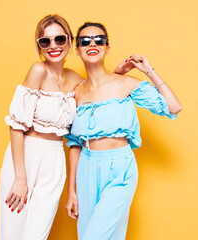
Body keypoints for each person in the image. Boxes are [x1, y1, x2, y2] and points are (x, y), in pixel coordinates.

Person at [65, 22, 182, 240]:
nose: (92, 44)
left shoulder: (125, 84)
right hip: (87, 169)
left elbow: (173, 107)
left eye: (99, 40)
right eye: (85, 40)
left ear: (107, 47)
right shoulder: (76, 92)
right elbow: (74, 143)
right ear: (77, 49)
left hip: (120, 168)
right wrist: (71, 190)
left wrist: (148, 71)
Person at [0, 14, 83, 240]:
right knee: (12, 233)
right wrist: (20, 177)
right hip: (25, 155)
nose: (53, 46)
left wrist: (122, 73)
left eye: (59, 39)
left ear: (69, 40)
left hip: (55, 162)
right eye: (45, 41)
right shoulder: (37, 71)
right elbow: (17, 125)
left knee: (36, 235)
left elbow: (99, 92)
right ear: (39, 46)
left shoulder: (76, 79)